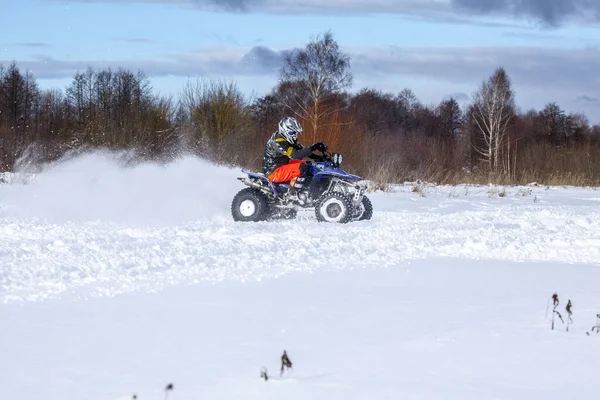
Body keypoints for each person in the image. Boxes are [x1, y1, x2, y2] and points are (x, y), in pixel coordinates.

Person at [262, 117, 327, 196]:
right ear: (284, 131)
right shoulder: (278, 142)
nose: (294, 135)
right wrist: (313, 147)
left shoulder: (287, 139)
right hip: (272, 171)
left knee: (310, 165)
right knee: (302, 167)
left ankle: (308, 188)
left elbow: (301, 150)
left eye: (295, 133)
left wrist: (318, 157)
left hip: (282, 164)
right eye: (291, 133)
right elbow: (295, 155)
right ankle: (293, 194)